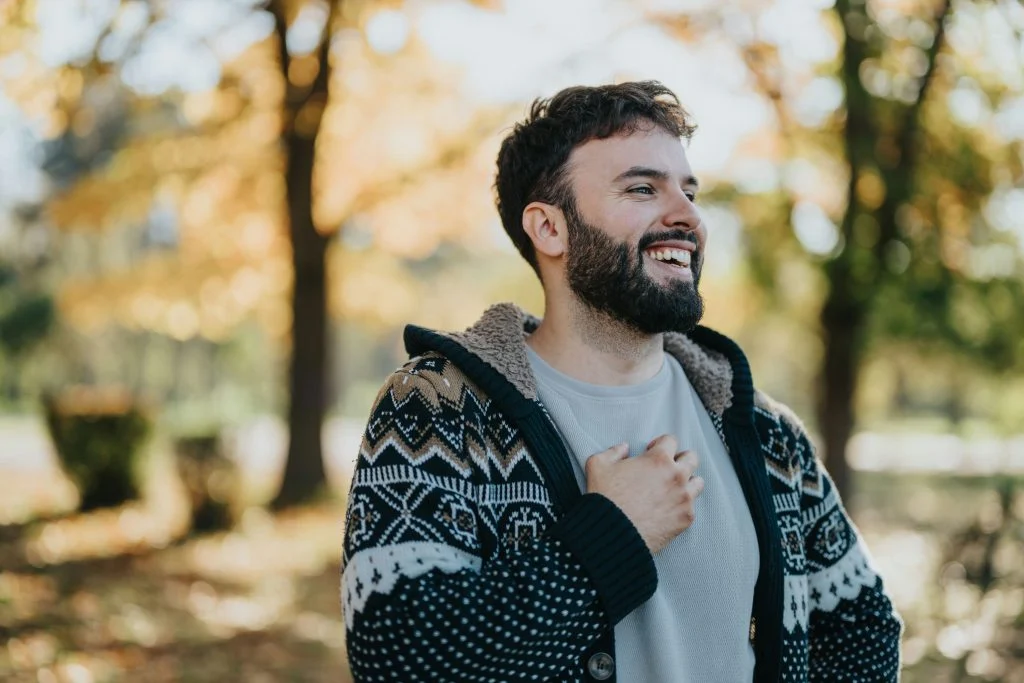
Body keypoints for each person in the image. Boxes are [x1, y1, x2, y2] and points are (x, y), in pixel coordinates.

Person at [341, 81, 902, 682]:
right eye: (642, 188)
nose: (687, 216)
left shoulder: (765, 432)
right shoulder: (437, 409)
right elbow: (397, 652)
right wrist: (614, 535)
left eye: (689, 192)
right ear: (549, 229)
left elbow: (862, 625)